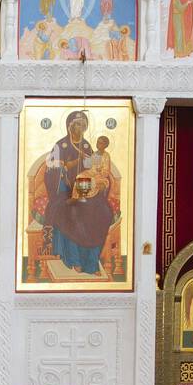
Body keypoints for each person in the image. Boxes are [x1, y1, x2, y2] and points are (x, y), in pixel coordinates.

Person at [41, 110, 115, 275]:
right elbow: (52, 171)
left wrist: (99, 182)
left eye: (84, 125)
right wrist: (76, 162)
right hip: (64, 191)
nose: (81, 128)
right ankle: (75, 260)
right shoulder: (61, 145)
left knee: (102, 213)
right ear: (70, 126)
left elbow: (94, 168)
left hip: (86, 189)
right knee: (73, 215)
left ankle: (92, 263)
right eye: (78, 125)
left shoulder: (88, 145)